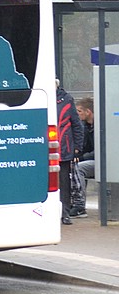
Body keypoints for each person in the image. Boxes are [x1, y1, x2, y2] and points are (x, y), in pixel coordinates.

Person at [56, 81, 84, 225]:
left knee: (64, 182)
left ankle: (65, 213)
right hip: (45, 148)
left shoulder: (66, 99)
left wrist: (77, 147)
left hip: (63, 148)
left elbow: (76, 124)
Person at [73, 97, 95, 218]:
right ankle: (73, 202)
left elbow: (100, 152)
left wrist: (81, 158)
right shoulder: (85, 127)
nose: (77, 114)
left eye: (80, 111)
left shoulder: (101, 126)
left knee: (80, 168)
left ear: (88, 112)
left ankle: (80, 205)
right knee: (74, 166)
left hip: (102, 162)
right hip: (92, 160)